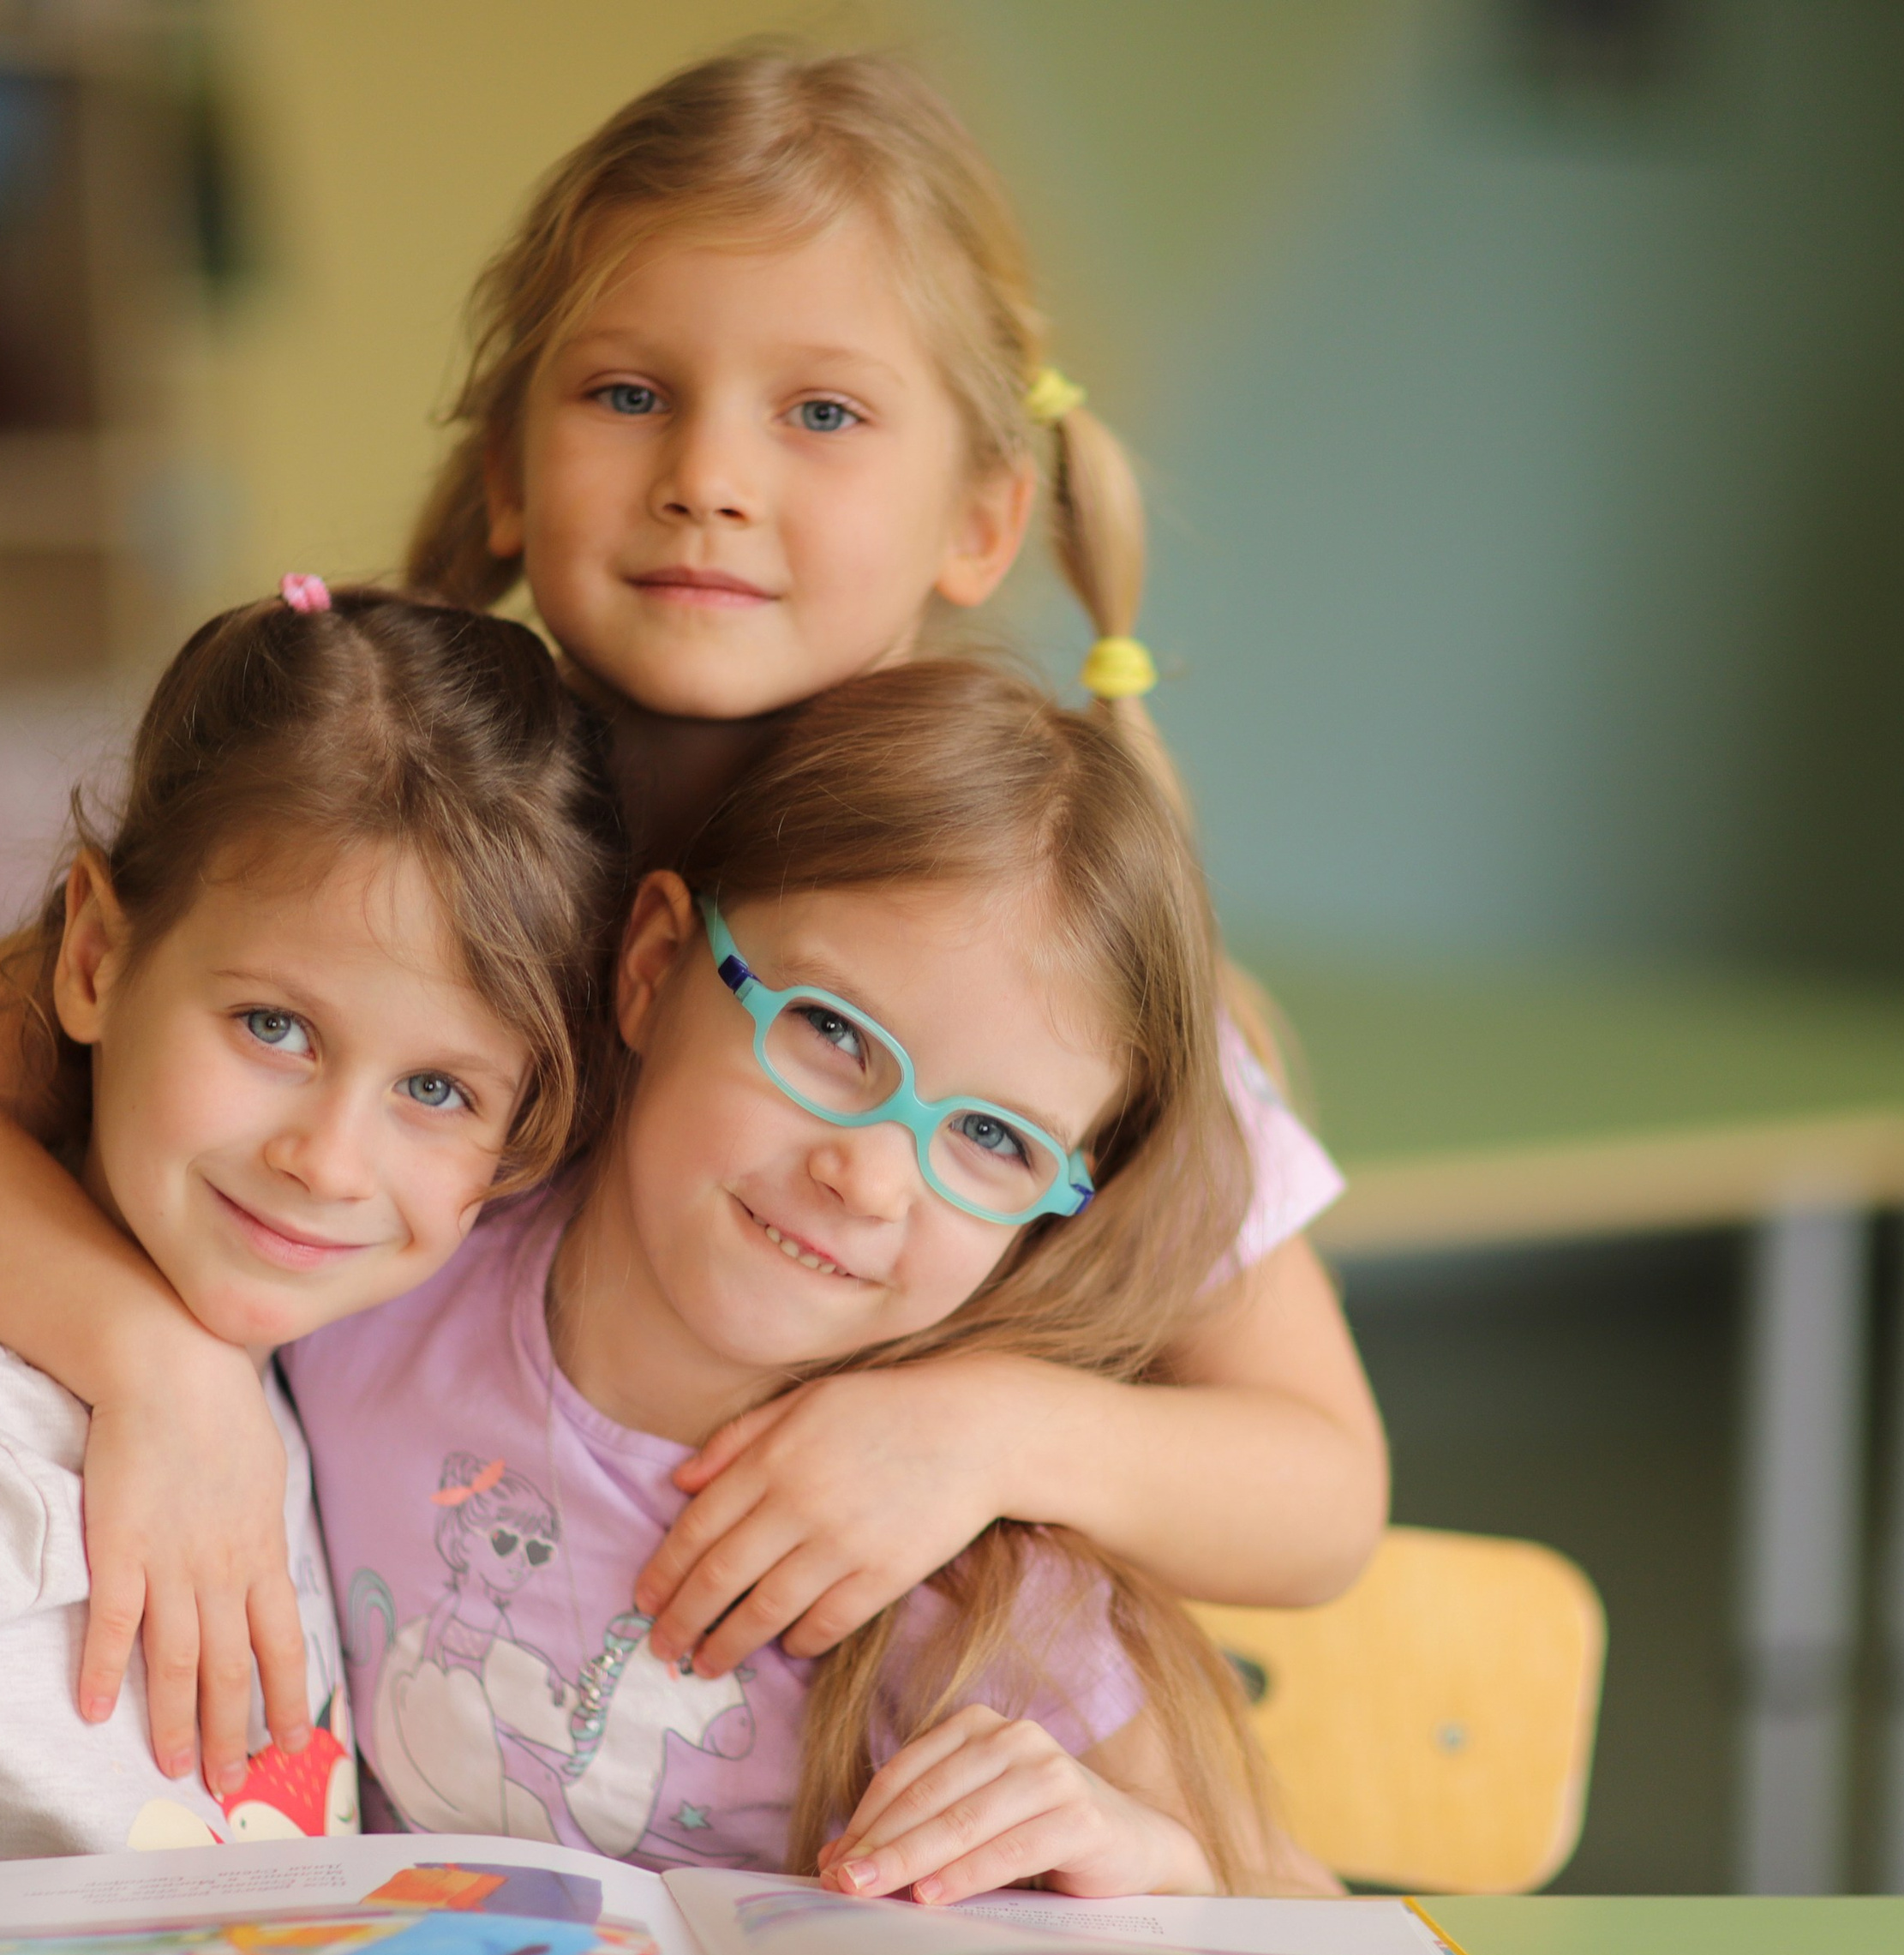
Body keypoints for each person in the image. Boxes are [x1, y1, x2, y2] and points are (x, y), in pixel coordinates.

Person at [0, 44, 1386, 1799]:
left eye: (819, 412)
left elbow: (1320, 1491)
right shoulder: (394, 838)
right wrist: (155, 1359)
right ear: (507, 461)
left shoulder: (1008, 947)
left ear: (980, 519)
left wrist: (974, 1428)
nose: (707, 476)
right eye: (628, 393)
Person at [290, 658, 1328, 1900]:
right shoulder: (372, 1273)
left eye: (993, 1139)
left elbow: (1307, 1934)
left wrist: (1158, 1868)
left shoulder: (981, 1590)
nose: (874, 1180)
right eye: (832, 1032)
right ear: (654, 964)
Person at [0, 581, 621, 1854]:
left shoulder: (329, 1390)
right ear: (95, 960)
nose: (329, 1163)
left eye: (438, 1090)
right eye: (273, 1027)